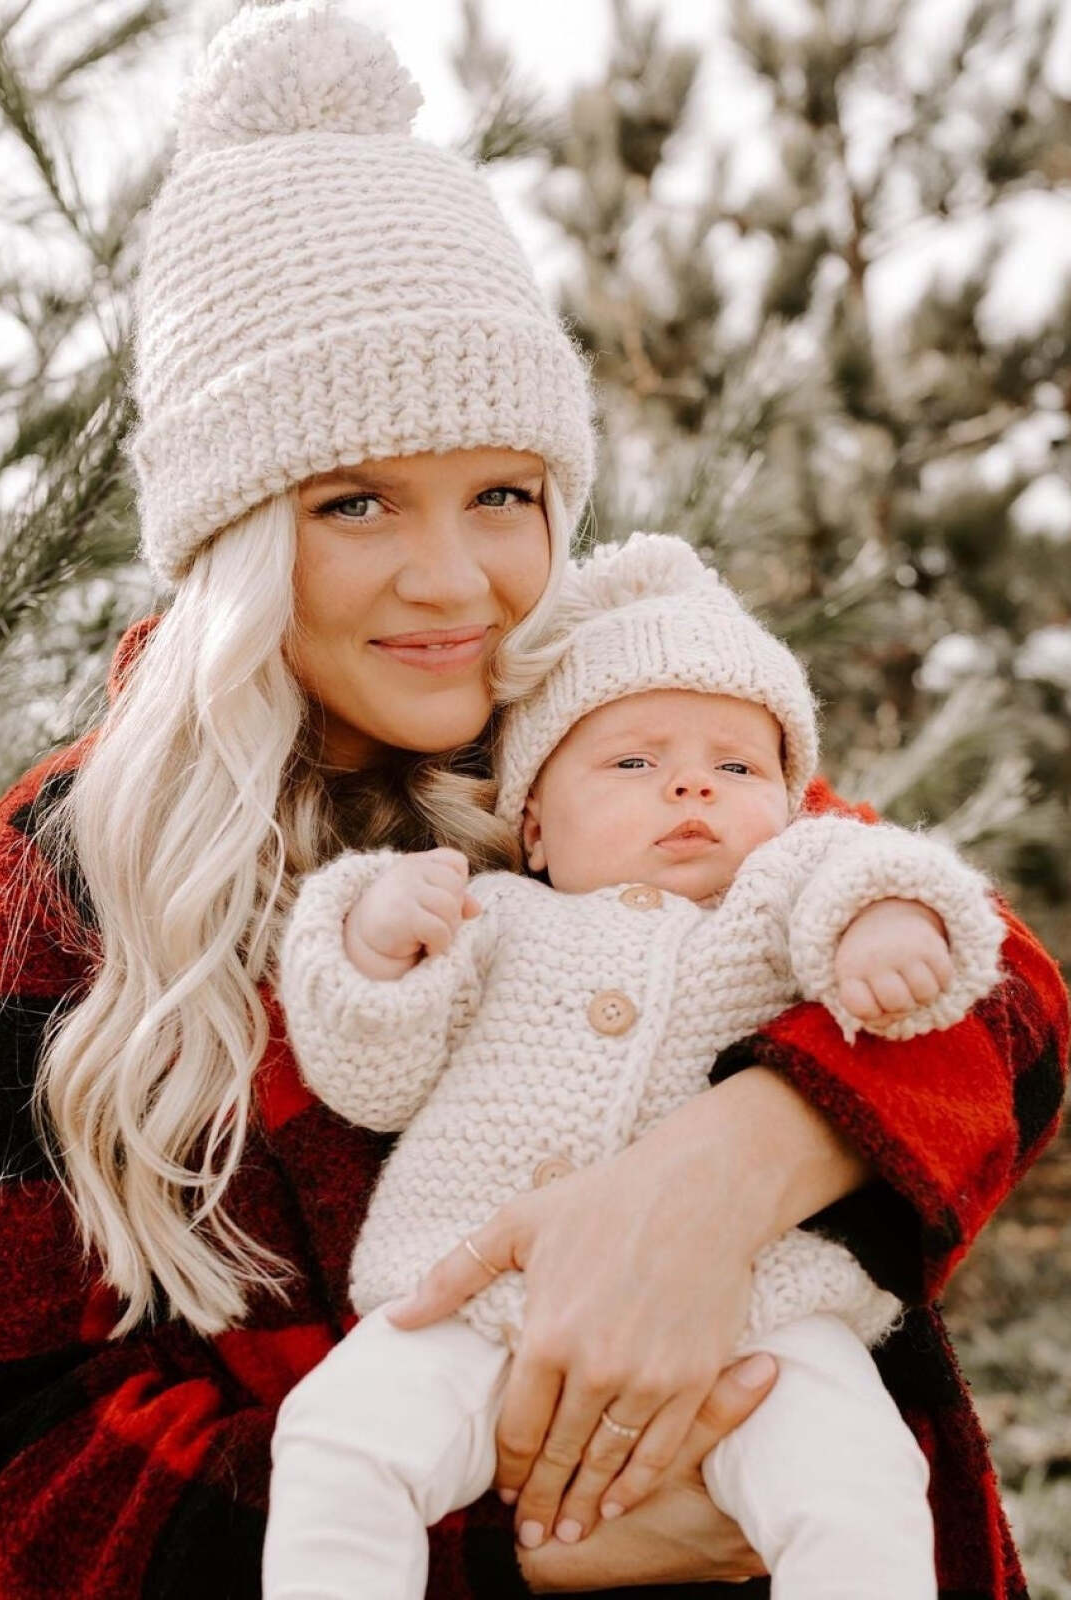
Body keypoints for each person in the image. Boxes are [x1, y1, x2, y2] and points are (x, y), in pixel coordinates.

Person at [0, 6, 1067, 1598]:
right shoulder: (78, 858)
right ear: (233, 530)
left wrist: (722, 1173)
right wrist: (505, 1556)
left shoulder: (610, 727)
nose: (453, 583)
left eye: (503, 493)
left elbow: (998, 996)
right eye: (355, 501)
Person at [266, 531, 1004, 1600]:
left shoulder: (775, 897)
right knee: (338, 1443)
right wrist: (376, 941)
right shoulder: (494, 915)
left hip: (759, 1318)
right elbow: (370, 1074)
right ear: (534, 825)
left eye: (736, 766)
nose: (693, 789)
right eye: (634, 762)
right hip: (468, 1298)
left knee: (860, 1482)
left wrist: (887, 920)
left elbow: (884, 873)